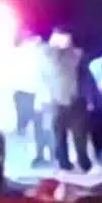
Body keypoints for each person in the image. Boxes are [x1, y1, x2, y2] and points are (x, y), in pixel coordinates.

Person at [39, 28, 90, 174]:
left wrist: (65, 45)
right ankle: (64, 164)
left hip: (75, 101)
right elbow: (46, 53)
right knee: (59, 136)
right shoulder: (48, 53)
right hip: (56, 102)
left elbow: (78, 55)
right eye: (64, 37)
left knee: (79, 136)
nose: (67, 39)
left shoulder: (74, 54)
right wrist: (55, 42)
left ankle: (84, 163)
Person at [11, 32, 48, 165]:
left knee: (37, 127)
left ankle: (38, 156)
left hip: (27, 93)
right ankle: (38, 156)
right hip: (28, 93)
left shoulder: (22, 53)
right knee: (38, 127)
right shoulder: (35, 53)